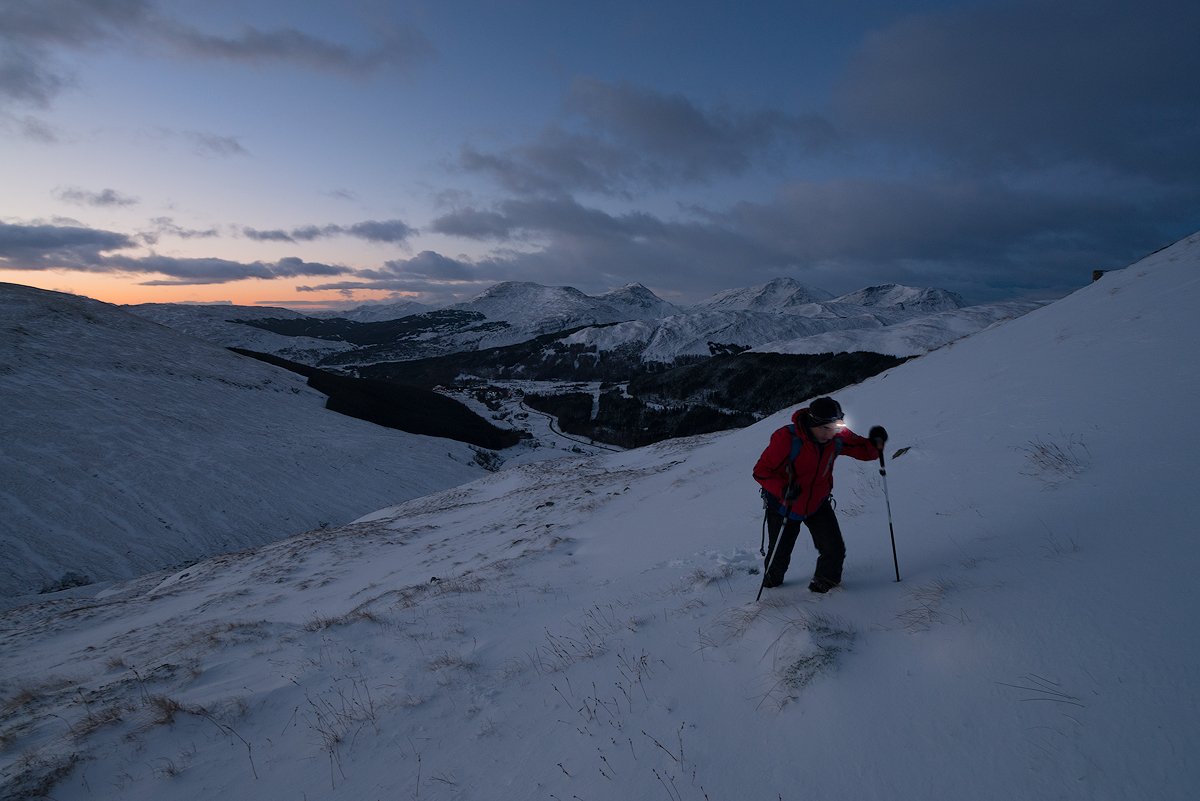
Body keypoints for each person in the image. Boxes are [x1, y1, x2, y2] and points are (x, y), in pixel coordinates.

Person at [752, 397, 887, 593]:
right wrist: (783, 489)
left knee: (834, 548)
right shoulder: (787, 439)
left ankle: (825, 587)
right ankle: (772, 585)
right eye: (825, 428)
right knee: (779, 553)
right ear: (811, 423)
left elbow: (864, 451)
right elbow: (761, 471)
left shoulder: (836, 436)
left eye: (834, 427)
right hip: (785, 504)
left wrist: (876, 444)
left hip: (817, 503)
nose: (830, 433)